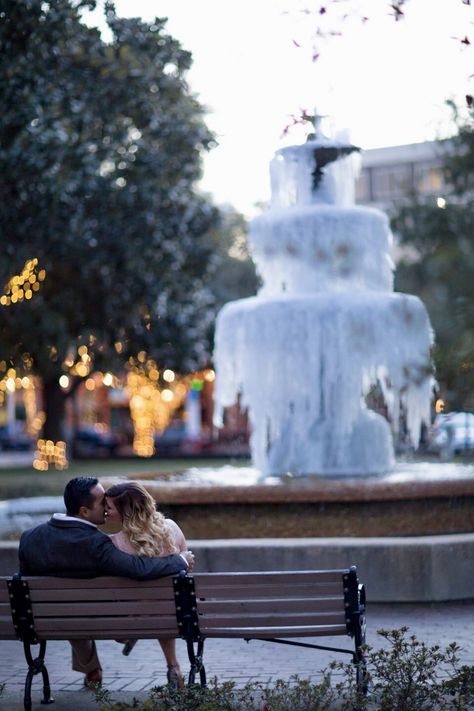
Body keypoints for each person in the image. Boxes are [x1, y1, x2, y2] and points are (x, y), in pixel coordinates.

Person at [18, 476, 194, 688]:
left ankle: (91, 668)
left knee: (70, 609)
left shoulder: (29, 538)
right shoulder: (97, 544)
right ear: (84, 511)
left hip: (46, 621)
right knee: (81, 606)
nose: (105, 508)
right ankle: (171, 664)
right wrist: (180, 559)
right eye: (102, 503)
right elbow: (138, 568)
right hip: (118, 618)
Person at [105, 481, 187, 689]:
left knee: (144, 606)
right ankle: (174, 666)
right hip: (177, 614)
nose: (105, 511)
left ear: (126, 512)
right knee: (163, 605)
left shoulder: (114, 543)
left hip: (133, 617)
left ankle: (133, 633)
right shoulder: (172, 529)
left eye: (109, 507)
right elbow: (186, 570)